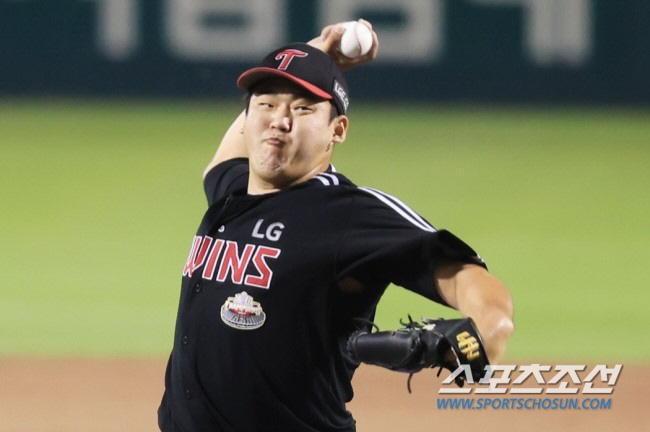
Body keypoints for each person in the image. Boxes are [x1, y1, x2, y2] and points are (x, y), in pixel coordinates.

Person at [158, 20, 514, 432]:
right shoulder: (232, 195)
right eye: (266, 104)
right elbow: (231, 152)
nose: (279, 120)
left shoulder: (349, 213)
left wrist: (483, 337)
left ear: (337, 130)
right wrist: (315, 54)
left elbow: (471, 280)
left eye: (303, 108)